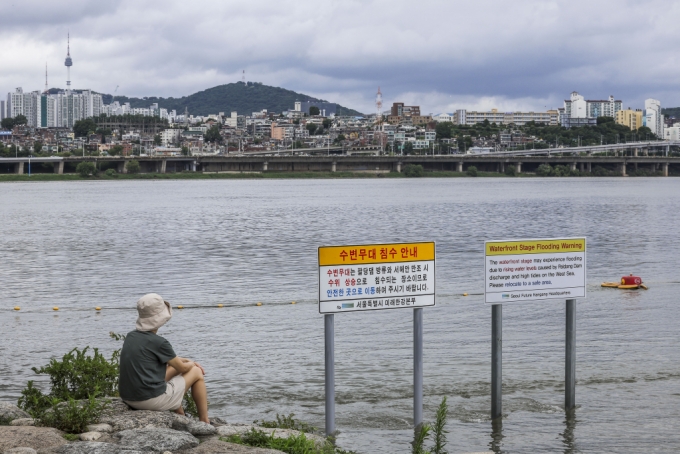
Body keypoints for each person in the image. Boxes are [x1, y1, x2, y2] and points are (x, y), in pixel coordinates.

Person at [118, 293, 210, 424]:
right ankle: (205, 421)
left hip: (129, 397)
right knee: (196, 372)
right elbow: (183, 368)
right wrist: (192, 364)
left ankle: (181, 416)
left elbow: (174, 362)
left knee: (173, 368)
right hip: (149, 400)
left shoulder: (131, 336)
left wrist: (185, 361)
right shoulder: (160, 342)